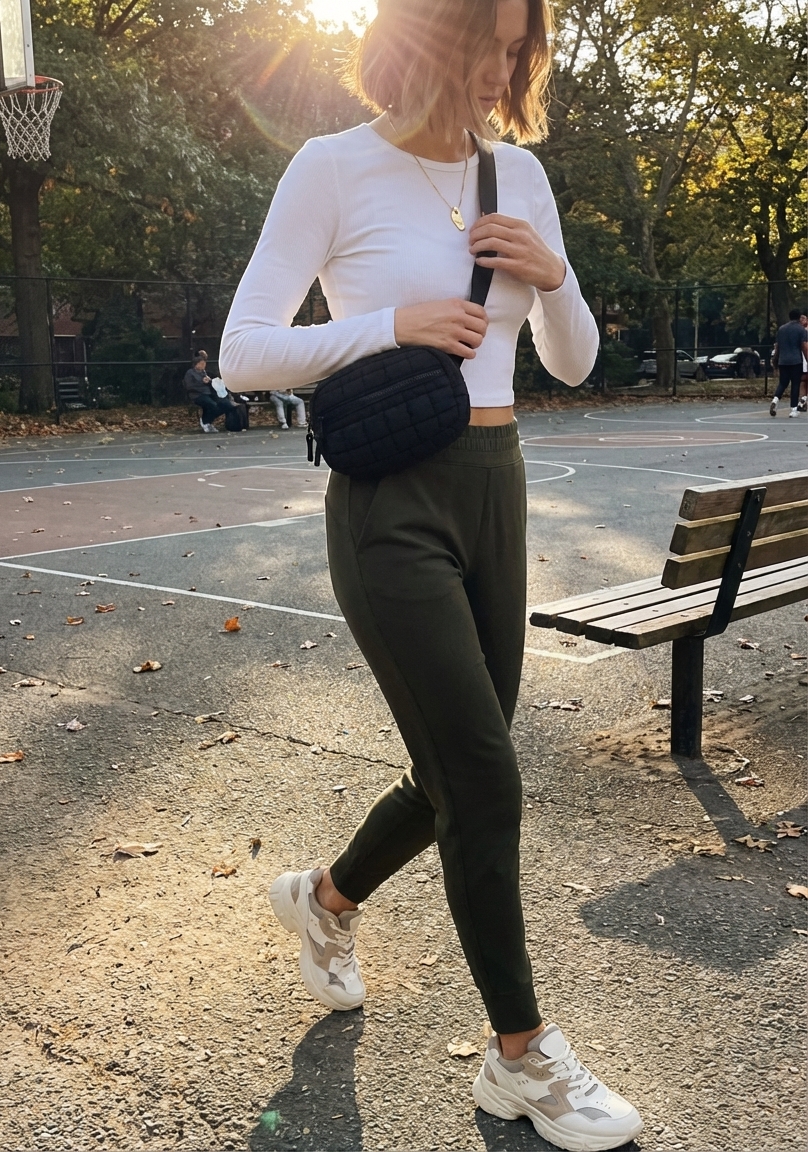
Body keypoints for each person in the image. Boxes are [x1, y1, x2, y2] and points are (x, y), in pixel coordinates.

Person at [220, 2, 642, 1149]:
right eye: (486, 38)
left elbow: (573, 359)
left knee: (456, 764)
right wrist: (388, 324)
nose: (504, 64)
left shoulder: (520, 177)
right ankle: (520, 1058)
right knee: (486, 775)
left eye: (518, 43)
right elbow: (242, 351)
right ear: (425, 36)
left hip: (496, 482)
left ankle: (326, 898)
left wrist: (553, 277)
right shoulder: (332, 168)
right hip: (390, 499)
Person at [770, 310, 808, 417]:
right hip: (796, 360)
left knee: (783, 383)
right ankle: (793, 409)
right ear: (799, 317)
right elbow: (804, 347)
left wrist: (776, 359)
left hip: (783, 360)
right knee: (795, 384)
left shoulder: (781, 329)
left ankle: (775, 400)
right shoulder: (801, 330)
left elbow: (777, 346)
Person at [183, 354, 234, 431]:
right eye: (202, 364)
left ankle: (206, 420)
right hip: (197, 394)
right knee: (212, 404)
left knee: (227, 404)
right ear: (196, 364)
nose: (204, 365)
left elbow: (211, 384)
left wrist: (210, 381)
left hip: (209, 393)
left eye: (205, 364)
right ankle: (206, 422)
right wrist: (201, 382)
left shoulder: (204, 372)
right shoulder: (190, 373)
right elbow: (189, 386)